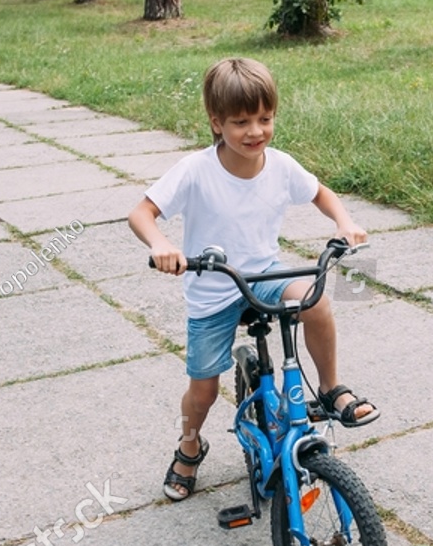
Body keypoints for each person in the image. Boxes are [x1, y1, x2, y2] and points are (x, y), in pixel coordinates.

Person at [128, 57, 380, 502]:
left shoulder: (280, 165)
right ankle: (190, 446)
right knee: (203, 391)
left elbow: (322, 194)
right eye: (241, 122)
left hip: (264, 275)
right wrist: (160, 245)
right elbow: (141, 213)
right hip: (212, 289)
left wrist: (344, 220)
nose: (255, 131)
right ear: (216, 122)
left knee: (317, 299)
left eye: (265, 119)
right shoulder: (196, 169)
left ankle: (329, 388)